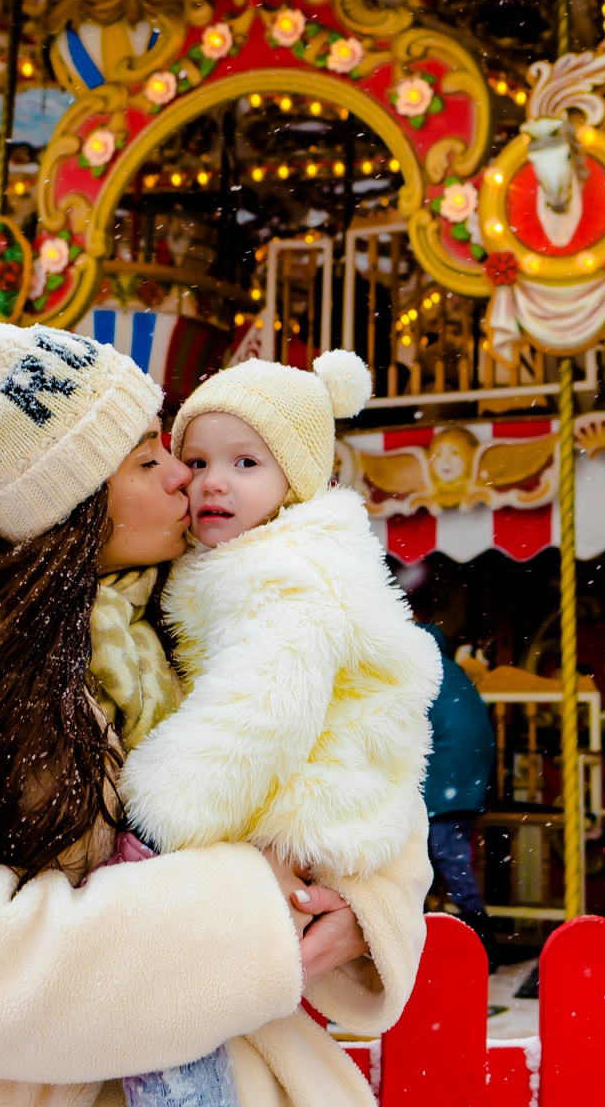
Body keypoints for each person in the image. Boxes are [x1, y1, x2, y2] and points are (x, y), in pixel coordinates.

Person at [0, 282, 427, 1107]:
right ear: (64, 508)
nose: (186, 474)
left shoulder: (205, 609)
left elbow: (367, 757)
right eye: (147, 458)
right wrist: (243, 915)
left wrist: (360, 903)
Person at [126, 349, 440, 889]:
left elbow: (261, 712)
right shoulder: (233, 552)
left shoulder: (287, 574)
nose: (212, 483)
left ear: (295, 478)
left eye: (245, 463)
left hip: (301, 818)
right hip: (285, 803)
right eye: (197, 462)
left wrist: (155, 822)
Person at [421, 626, 495, 937]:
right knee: (446, 852)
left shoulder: (422, 675)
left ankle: (478, 931)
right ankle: (463, 923)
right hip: (465, 780)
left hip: (444, 781)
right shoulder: (453, 674)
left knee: (443, 852)